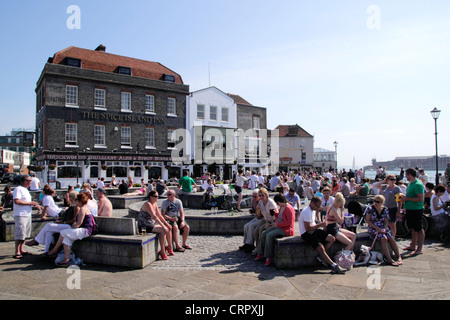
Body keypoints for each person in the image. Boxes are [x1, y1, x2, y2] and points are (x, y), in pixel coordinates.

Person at [46, 193, 96, 267]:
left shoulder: (82, 209)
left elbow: (79, 223)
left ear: (79, 201)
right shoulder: (84, 208)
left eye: (76, 200)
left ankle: (54, 250)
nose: (75, 201)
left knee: (63, 232)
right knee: (66, 239)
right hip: (84, 230)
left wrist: (72, 228)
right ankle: (66, 260)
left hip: (85, 231)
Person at [299, 196, 345, 274]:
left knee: (331, 238)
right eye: (317, 206)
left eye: (319, 206)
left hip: (314, 230)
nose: (318, 208)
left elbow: (313, 222)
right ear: (312, 203)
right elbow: (308, 228)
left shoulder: (313, 210)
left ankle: (322, 257)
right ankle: (334, 265)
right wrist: (320, 224)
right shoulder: (306, 211)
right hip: (306, 233)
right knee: (321, 248)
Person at [255, 194, 295, 266]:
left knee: (269, 235)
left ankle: (268, 256)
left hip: (286, 229)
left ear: (281, 201)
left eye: (277, 203)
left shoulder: (289, 208)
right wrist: (275, 213)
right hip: (280, 226)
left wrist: (277, 225)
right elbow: (280, 216)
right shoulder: (282, 207)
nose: (277, 204)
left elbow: (289, 222)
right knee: (264, 233)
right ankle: (260, 252)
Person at [365, 195, 403, 266]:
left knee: (391, 237)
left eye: (377, 202)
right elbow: (368, 221)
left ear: (381, 202)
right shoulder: (370, 209)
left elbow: (386, 221)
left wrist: (385, 228)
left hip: (382, 227)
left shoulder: (385, 209)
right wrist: (377, 228)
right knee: (384, 238)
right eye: (374, 201)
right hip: (374, 227)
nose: (375, 203)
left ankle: (398, 256)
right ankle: (389, 259)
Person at [137, 190, 172, 260]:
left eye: (158, 196)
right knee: (163, 230)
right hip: (144, 226)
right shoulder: (148, 204)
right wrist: (163, 226)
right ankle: (162, 251)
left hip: (151, 224)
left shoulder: (154, 204)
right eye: (155, 196)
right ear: (150, 197)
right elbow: (154, 216)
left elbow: (159, 215)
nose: (157, 198)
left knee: (168, 228)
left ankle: (169, 247)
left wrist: (166, 224)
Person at [13, 175, 41, 259]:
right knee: (20, 233)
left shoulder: (26, 190)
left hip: (27, 214)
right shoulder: (18, 189)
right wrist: (29, 203)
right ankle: (17, 251)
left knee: (24, 233)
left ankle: (21, 249)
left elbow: (26, 202)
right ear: (25, 181)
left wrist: (34, 205)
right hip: (21, 214)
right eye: (29, 180)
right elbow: (16, 201)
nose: (31, 182)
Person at [400, 168, 425, 256]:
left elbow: (420, 199)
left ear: (410, 175)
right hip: (410, 208)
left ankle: (419, 248)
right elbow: (411, 195)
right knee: (413, 228)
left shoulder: (418, 184)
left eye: (406, 175)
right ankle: (412, 245)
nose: (405, 176)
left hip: (416, 209)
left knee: (418, 228)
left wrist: (407, 198)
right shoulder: (411, 183)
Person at [252, 188, 278, 255]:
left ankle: (261, 248)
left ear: (266, 195)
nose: (261, 197)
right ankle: (258, 246)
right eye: (259, 196)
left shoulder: (270, 202)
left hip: (271, 220)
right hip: (265, 218)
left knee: (261, 230)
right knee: (255, 232)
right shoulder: (260, 202)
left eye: (262, 195)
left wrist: (272, 222)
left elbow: (276, 213)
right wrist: (257, 209)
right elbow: (259, 215)